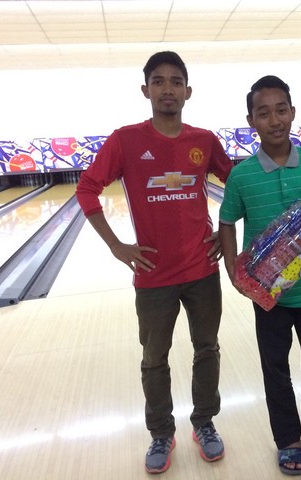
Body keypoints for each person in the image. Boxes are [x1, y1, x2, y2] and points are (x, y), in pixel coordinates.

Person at [75, 51, 232, 474]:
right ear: (145, 90)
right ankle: (161, 432)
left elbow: (237, 182)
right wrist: (116, 245)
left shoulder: (204, 141)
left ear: (188, 91)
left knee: (207, 348)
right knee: (154, 359)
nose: (168, 89)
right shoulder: (125, 140)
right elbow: (87, 188)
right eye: (159, 81)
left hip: (202, 271)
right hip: (152, 276)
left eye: (176, 81)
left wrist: (226, 233)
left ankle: (204, 422)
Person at [219, 75, 301, 476]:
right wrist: (233, 269)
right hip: (267, 295)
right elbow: (226, 222)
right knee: (275, 369)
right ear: (251, 120)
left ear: (292, 113)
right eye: (264, 113)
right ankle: (289, 441)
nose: (274, 120)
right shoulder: (241, 176)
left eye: (281, 110)